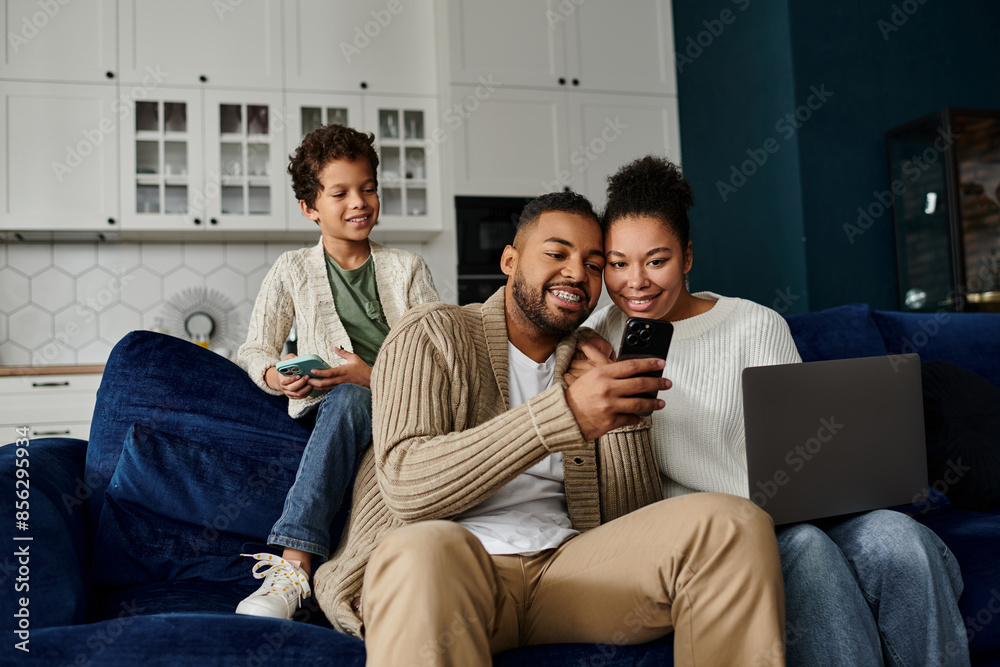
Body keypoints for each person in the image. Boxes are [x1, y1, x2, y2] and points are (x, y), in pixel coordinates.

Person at [313, 191, 788, 666]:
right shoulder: (432, 334)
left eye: (595, 263)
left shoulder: (594, 356)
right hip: (455, 573)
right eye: (557, 254)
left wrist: (620, 420)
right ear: (510, 260)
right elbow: (406, 485)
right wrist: (564, 416)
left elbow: (630, 523)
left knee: (734, 524)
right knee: (420, 550)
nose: (577, 273)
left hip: (567, 574)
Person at [575, 155, 969, 666]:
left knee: (902, 539)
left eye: (656, 260)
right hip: (711, 534)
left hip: (789, 513)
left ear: (687, 256)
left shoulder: (755, 325)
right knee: (805, 548)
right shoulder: (594, 340)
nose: (636, 282)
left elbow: (803, 448)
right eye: (617, 263)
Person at [233, 124, 438, 620]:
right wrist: (277, 378)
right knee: (346, 399)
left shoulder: (407, 268)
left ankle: (344, 577)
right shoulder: (291, 270)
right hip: (334, 406)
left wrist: (371, 376)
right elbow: (254, 347)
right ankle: (292, 570)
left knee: (355, 395)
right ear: (310, 207)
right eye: (341, 192)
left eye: (368, 188)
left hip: (401, 404)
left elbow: (439, 354)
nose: (359, 202)